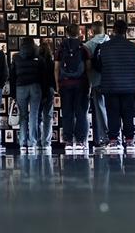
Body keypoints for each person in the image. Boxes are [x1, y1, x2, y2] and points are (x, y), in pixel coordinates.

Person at [93, 20, 135, 155]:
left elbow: (98, 66)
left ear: (113, 30)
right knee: (128, 114)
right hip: (128, 86)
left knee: (112, 114)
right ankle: (130, 141)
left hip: (110, 85)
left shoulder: (104, 47)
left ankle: (113, 141)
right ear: (126, 31)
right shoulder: (132, 47)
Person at [55, 24, 91, 153]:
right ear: (79, 33)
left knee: (67, 113)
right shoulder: (83, 48)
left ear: (66, 33)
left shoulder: (61, 48)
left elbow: (56, 68)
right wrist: (89, 84)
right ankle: (81, 141)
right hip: (81, 84)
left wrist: (58, 85)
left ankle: (68, 141)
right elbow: (88, 68)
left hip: (65, 85)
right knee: (81, 112)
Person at [10, 37, 43, 154]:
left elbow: (12, 76)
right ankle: (33, 142)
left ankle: (23, 142)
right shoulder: (38, 57)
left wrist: (12, 93)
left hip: (21, 87)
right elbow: (42, 75)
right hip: (35, 87)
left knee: (23, 115)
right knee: (34, 115)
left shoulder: (16, 57)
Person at [84, 22, 109, 149]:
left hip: (95, 81)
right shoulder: (110, 42)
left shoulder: (88, 45)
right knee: (112, 109)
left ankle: (102, 138)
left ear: (92, 32)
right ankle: (114, 137)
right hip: (111, 82)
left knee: (99, 110)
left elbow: (86, 67)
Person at [37, 40, 56, 151]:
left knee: (37, 116)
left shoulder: (37, 62)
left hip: (38, 89)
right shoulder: (51, 62)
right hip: (49, 90)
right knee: (48, 117)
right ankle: (46, 143)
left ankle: (38, 142)